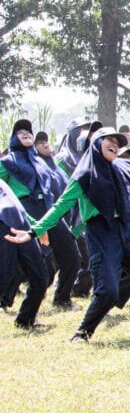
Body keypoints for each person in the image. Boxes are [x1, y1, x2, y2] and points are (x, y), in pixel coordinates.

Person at [5, 127, 130, 342]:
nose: (115, 144)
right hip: (101, 236)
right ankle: (82, 333)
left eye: (118, 142)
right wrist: (33, 233)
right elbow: (59, 208)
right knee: (107, 293)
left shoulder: (120, 171)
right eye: (109, 140)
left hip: (127, 234)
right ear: (96, 143)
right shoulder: (83, 176)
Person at [1, 119, 82, 310]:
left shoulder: (42, 162)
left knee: (72, 255)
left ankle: (62, 298)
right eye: (21, 132)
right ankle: (5, 298)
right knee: (29, 260)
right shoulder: (6, 162)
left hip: (48, 210)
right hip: (23, 211)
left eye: (29, 131)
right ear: (13, 138)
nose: (26, 133)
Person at [0, 180, 49, 329]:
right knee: (3, 278)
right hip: (2, 229)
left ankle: (25, 320)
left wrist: (36, 228)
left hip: (21, 228)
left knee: (40, 277)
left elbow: (18, 209)